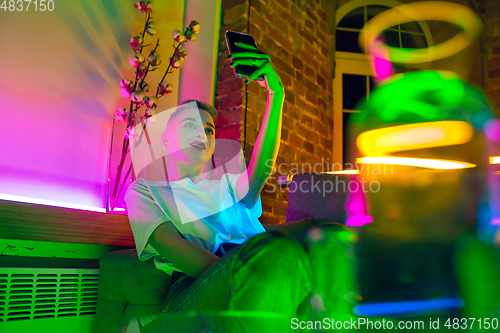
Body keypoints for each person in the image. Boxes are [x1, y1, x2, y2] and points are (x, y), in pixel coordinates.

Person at [123, 43, 356, 333]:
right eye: (189, 125)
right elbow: (174, 247)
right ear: (166, 140)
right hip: (200, 284)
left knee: (334, 244)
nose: (202, 133)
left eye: (209, 129)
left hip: (266, 265)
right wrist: (251, 268)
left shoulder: (228, 186)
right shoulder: (145, 190)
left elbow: (261, 169)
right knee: (278, 255)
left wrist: (276, 94)